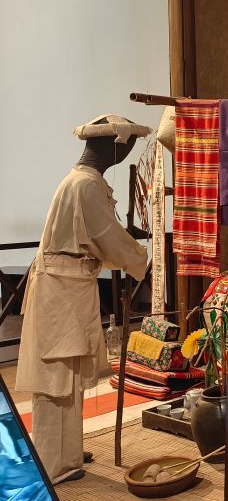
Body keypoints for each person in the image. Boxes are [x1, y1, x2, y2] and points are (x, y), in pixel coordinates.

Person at [16, 115, 150, 484]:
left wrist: (127, 245)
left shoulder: (83, 181)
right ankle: (54, 462)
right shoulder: (86, 184)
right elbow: (106, 236)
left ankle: (67, 452)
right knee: (56, 377)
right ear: (114, 148)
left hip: (68, 286)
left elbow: (99, 234)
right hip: (61, 289)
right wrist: (139, 257)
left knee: (67, 375)